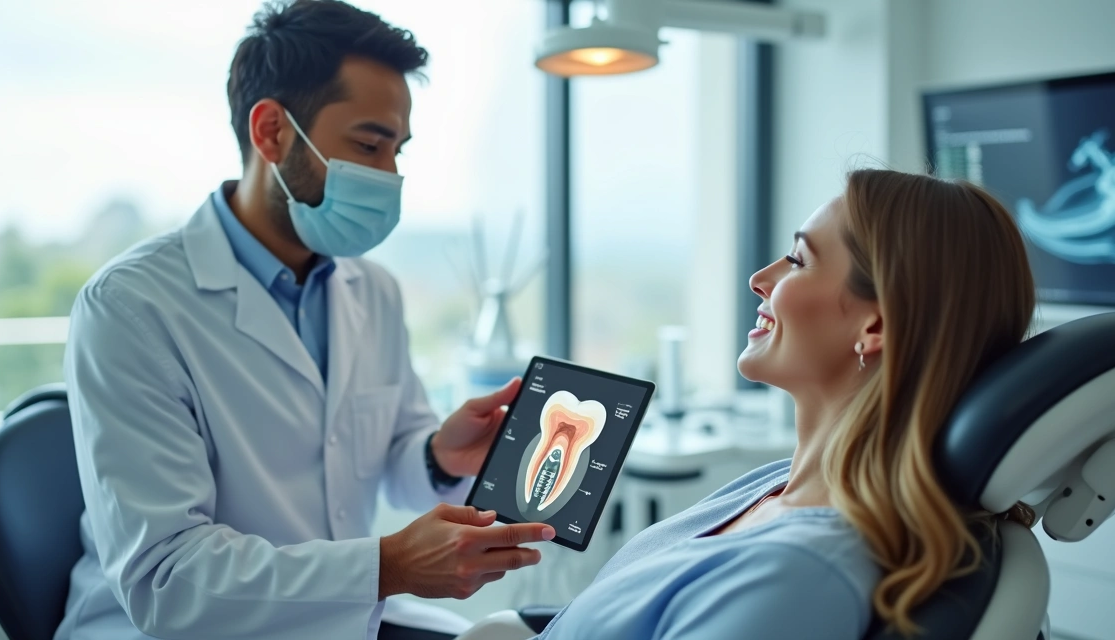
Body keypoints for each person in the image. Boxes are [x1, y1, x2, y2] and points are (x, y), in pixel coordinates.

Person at [56, 2, 553, 639]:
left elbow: (381, 461)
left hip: (331, 619)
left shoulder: (370, 289)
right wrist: (387, 565)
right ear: (272, 133)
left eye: (398, 150)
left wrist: (435, 456)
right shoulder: (131, 308)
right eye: (369, 145)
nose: (390, 176)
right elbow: (167, 581)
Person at [536, 169, 1037, 639]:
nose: (760, 277)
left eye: (798, 260)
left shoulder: (800, 576)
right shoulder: (774, 484)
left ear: (876, 327)